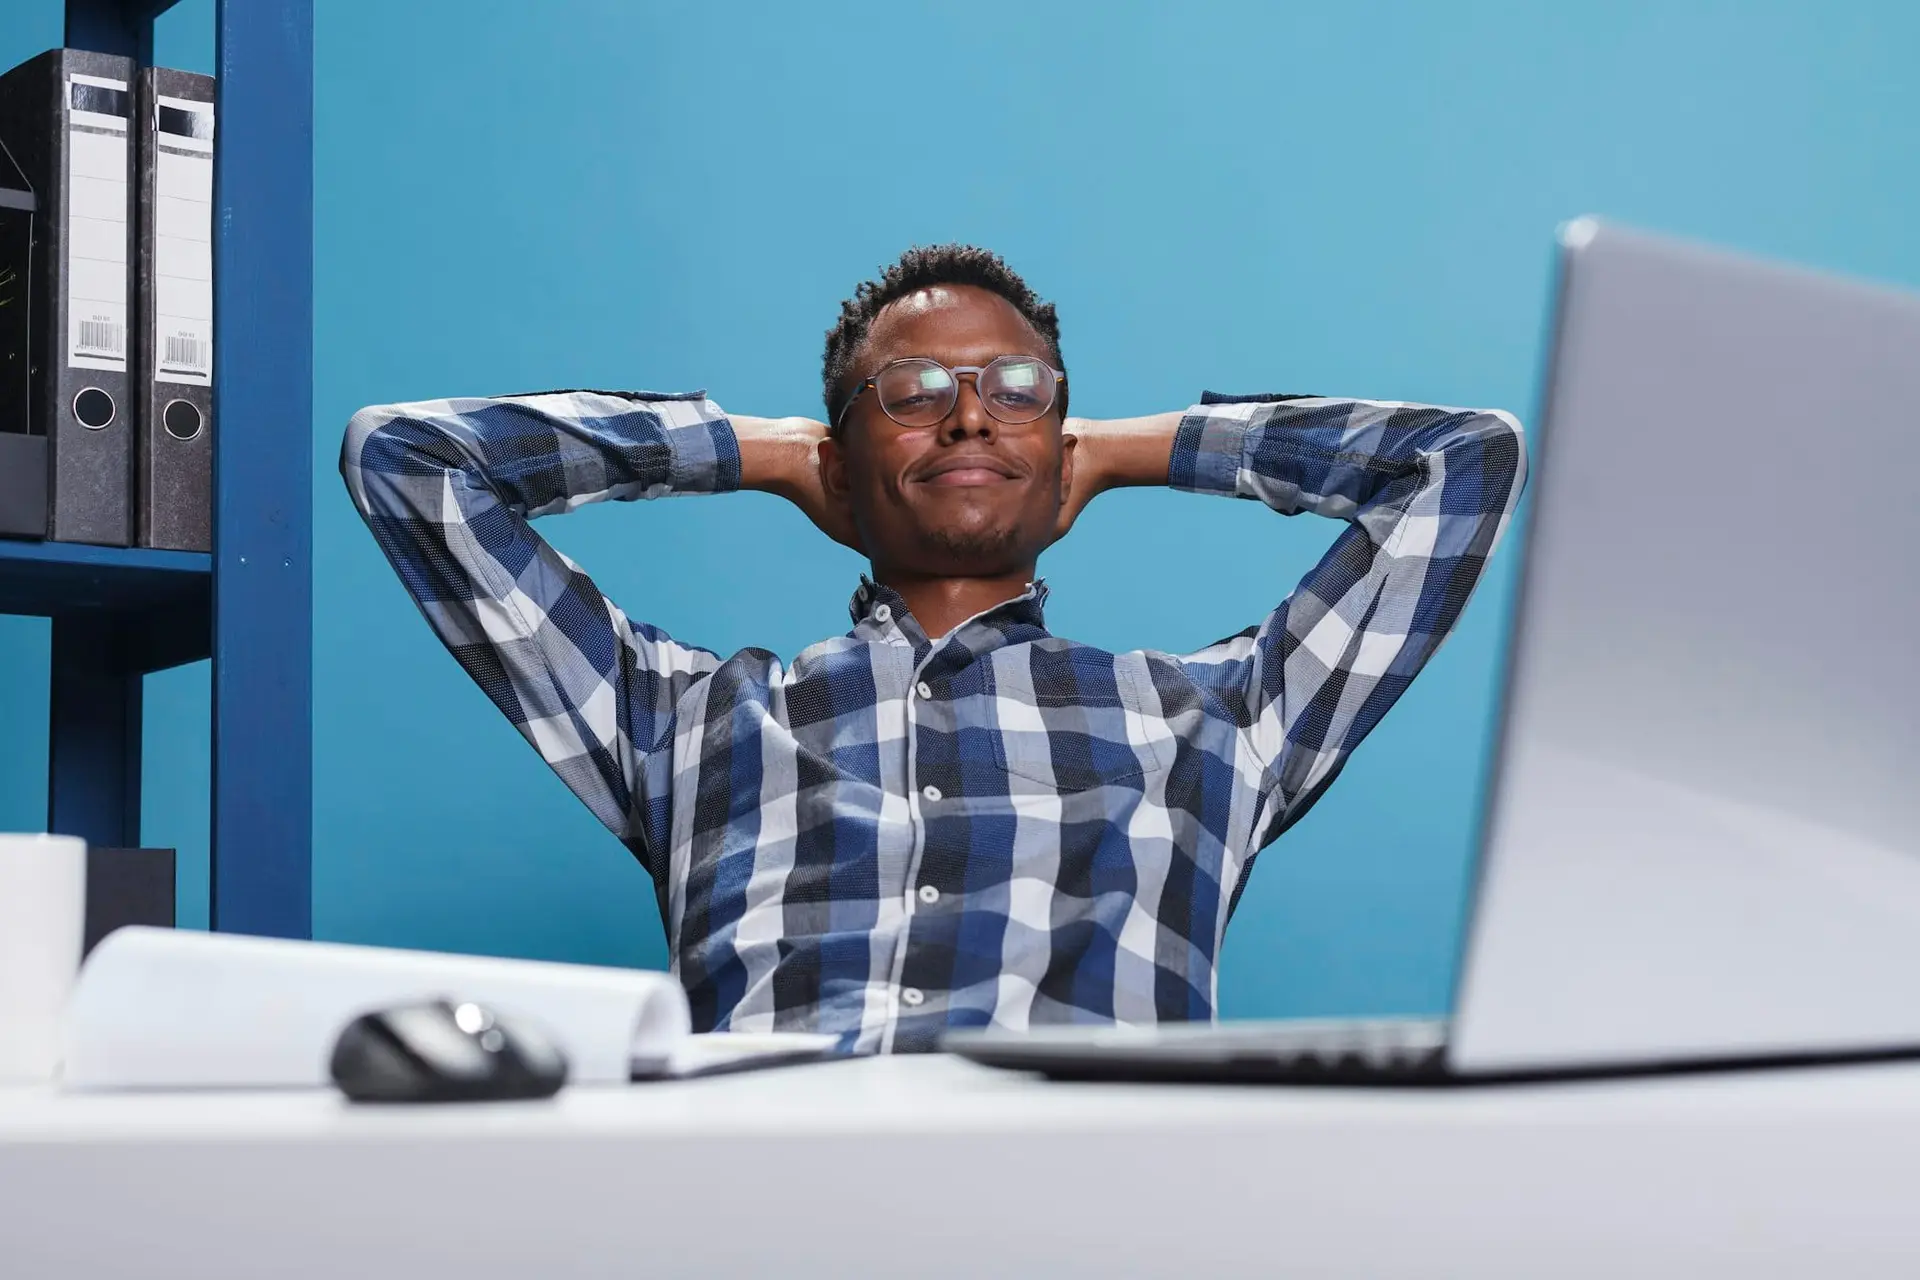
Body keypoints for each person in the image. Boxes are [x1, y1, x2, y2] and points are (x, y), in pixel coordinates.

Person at [342, 244, 1526, 1053]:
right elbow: (409, 462)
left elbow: (1463, 463)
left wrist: (1127, 446)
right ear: (843, 456)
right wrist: (762, 449)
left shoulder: (1219, 718)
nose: (968, 414)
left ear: (1063, 444)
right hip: (755, 1219)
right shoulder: (683, 716)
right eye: (911, 392)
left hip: (1086, 1220)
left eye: (1016, 390)